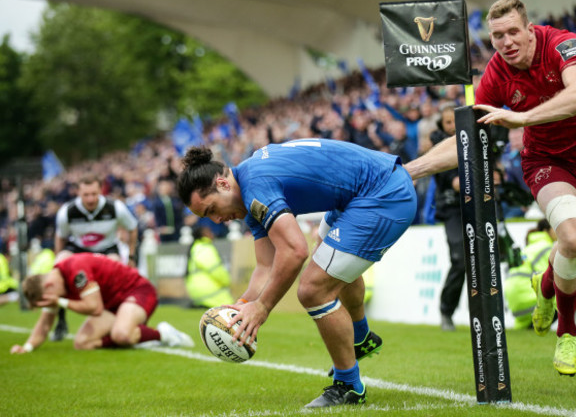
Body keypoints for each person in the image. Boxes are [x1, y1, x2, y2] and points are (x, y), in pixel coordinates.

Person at [405, 0, 576, 376]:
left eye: (512, 32)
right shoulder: (494, 76)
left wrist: (521, 118)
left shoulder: (562, 44)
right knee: (572, 238)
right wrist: (413, 169)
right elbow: (468, 139)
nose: (505, 42)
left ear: (530, 30)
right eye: (497, 36)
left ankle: (546, 286)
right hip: (547, 163)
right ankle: (566, 334)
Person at [177, 140, 416, 408]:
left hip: (383, 193)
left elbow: (294, 251)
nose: (216, 220)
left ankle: (349, 387)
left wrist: (263, 307)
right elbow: (265, 267)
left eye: (211, 209)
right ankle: (360, 337)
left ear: (222, 184)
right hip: (361, 194)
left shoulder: (256, 185)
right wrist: (243, 306)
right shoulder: (249, 191)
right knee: (330, 266)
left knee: (314, 289)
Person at [10, 252, 194, 354]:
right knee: (82, 343)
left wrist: (61, 301)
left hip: (137, 291)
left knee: (121, 335)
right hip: (112, 304)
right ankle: (136, 335)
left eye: (49, 301)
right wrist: (26, 347)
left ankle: (163, 334)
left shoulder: (75, 271)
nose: (52, 305)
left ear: (49, 287)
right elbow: (44, 324)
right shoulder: (52, 287)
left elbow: (95, 308)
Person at [53, 173, 139, 341]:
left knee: (116, 267)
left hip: (106, 249)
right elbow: (60, 236)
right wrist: (59, 261)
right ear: (78, 192)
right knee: (59, 262)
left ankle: (116, 318)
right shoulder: (67, 211)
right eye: (86, 195)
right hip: (78, 249)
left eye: (94, 194)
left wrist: (131, 256)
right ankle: (60, 320)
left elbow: (133, 227)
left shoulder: (115, 207)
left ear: (101, 190)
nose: (91, 199)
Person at [429, 104, 465, 332]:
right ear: (442, 126)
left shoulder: (475, 141)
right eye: (448, 122)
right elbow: (455, 183)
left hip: (479, 207)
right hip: (452, 209)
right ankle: (446, 311)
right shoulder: (438, 149)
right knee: (460, 260)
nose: (453, 127)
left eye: (456, 121)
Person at [504, 219, 556, 330]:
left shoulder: (530, 247)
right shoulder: (546, 247)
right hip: (529, 300)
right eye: (555, 227)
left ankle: (530, 328)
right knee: (565, 294)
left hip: (515, 302)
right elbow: (548, 278)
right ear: (546, 230)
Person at [186, 225, 234, 308]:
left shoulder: (196, 248)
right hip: (212, 295)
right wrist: (227, 281)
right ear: (204, 235)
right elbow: (215, 269)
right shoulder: (205, 248)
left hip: (199, 293)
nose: (212, 234)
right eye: (209, 232)